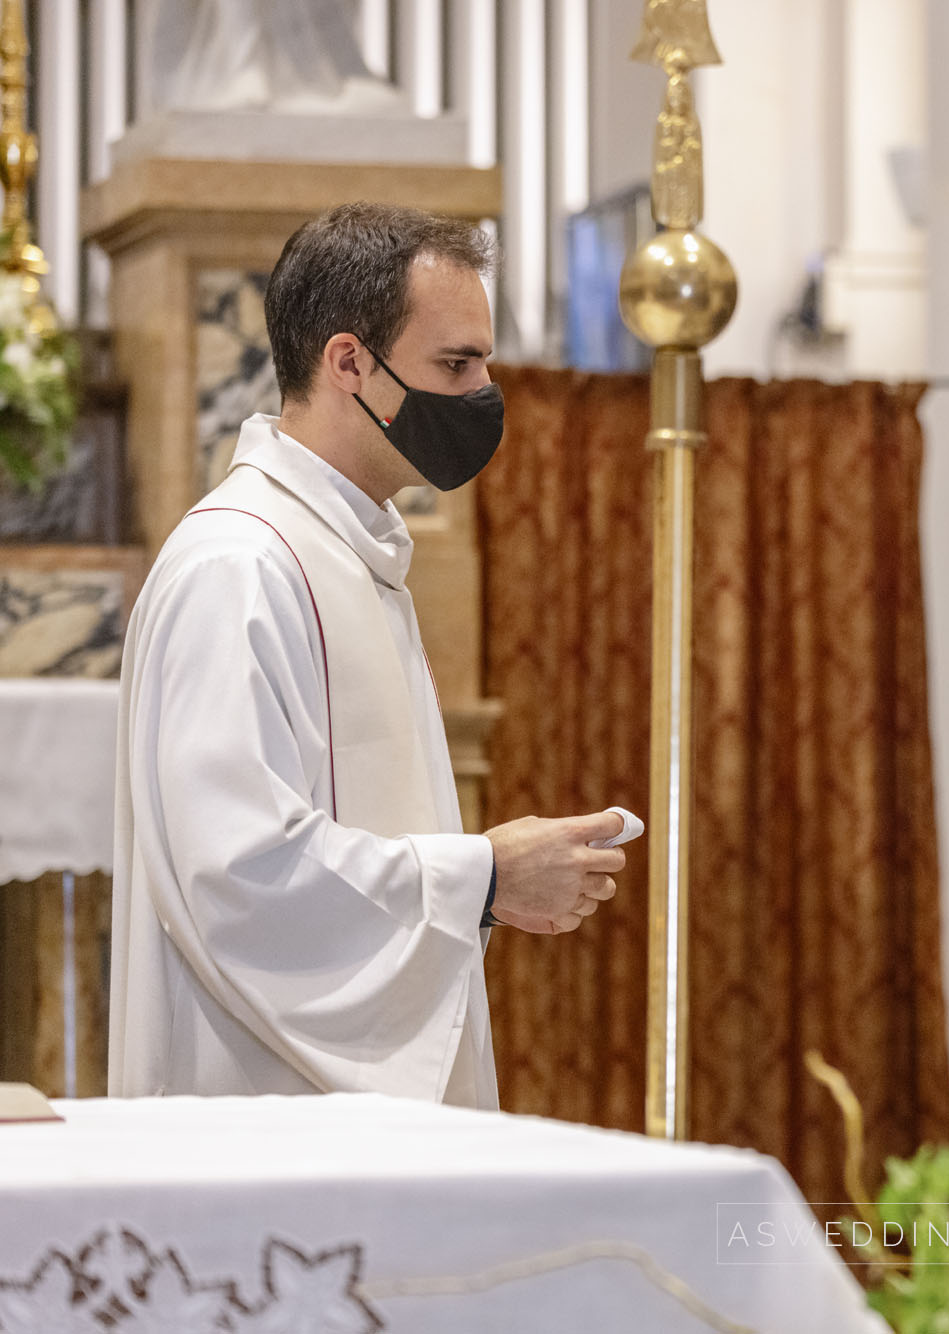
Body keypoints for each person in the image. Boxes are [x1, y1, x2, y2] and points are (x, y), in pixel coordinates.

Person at [110, 203, 622, 1109]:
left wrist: (487, 895)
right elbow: (237, 874)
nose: (481, 395)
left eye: (484, 363)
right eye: (455, 365)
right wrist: (486, 874)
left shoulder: (348, 554)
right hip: (263, 1131)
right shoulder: (240, 566)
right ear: (349, 362)